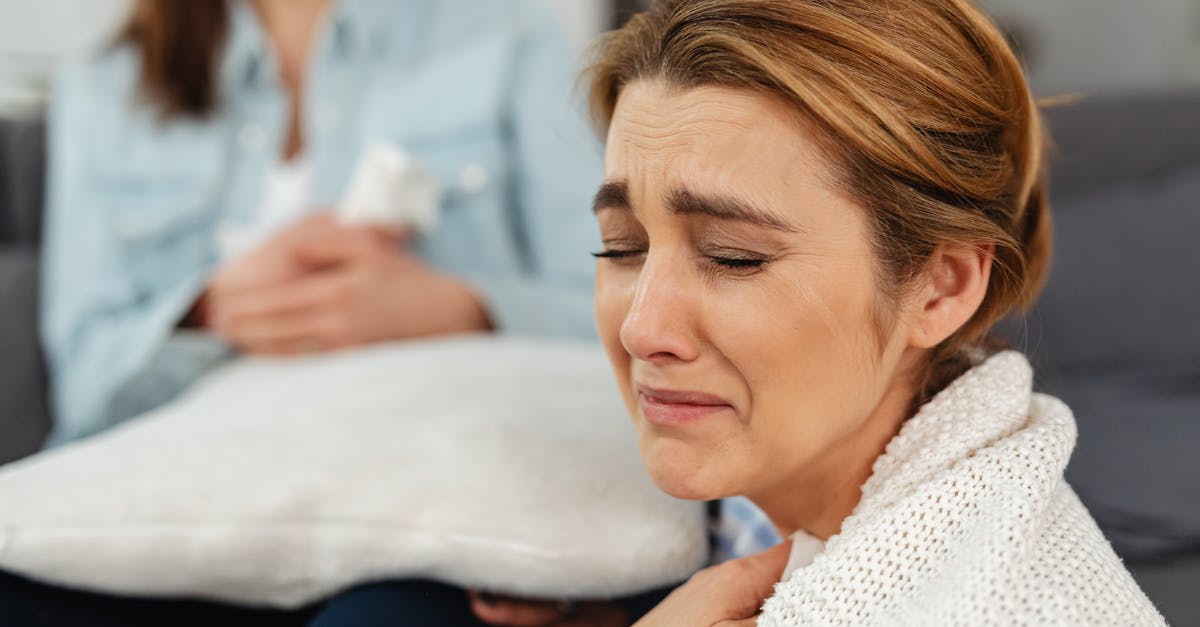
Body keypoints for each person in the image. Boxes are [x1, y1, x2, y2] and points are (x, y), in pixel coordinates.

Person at [570, 0, 1167, 624]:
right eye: (622, 247)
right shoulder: (770, 464)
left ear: (940, 288)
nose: (643, 330)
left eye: (734, 257)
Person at [40, 0, 601, 447]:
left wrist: (458, 311)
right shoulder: (104, 85)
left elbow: (616, 315)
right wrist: (210, 311)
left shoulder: (511, 34)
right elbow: (84, 389)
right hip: (165, 491)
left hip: (420, 482)